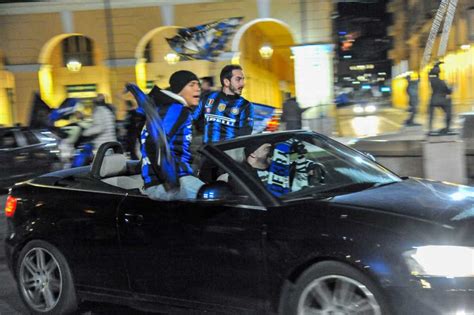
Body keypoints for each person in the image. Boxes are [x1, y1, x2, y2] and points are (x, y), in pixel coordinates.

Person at [140, 70, 204, 201]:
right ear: (179, 89)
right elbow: (154, 143)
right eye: (191, 85)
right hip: (172, 182)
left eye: (198, 84)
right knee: (217, 199)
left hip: (170, 180)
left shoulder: (165, 109)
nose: (198, 88)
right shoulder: (176, 109)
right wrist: (171, 181)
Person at [192, 64, 254, 144]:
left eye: (243, 79)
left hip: (229, 154)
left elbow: (245, 135)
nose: (242, 84)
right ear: (226, 82)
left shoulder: (246, 106)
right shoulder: (207, 98)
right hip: (207, 153)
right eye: (238, 80)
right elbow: (193, 119)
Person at [428, 62, 453, 135]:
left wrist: (436, 65)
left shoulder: (431, 80)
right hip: (441, 100)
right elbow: (448, 91)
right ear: (439, 73)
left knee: (431, 115)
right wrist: (452, 88)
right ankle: (447, 127)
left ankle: (430, 128)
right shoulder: (442, 82)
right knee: (449, 108)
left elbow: (429, 73)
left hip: (433, 100)